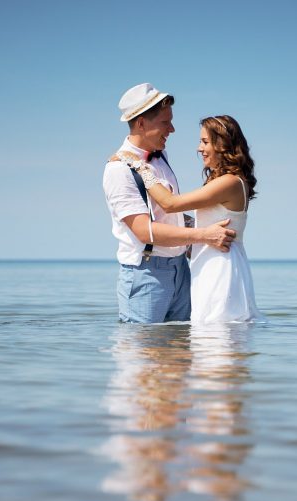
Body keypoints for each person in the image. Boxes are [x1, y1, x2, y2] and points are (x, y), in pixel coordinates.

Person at [103, 83, 237, 324]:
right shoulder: (118, 170)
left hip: (181, 270)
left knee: (181, 356)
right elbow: (144, 231)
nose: (172, 129)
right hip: (147, 275)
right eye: (165, 122)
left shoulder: (161, 156)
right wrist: (204, 235)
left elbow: (168, 215)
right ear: (141, 123)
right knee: (143, 357)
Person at [116, 114, 264, 324]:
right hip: (209, 262)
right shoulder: (224, 181)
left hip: (220, 266)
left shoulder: (230, 182)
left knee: (218, 335)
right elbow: (187, 216)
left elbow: (170, 204)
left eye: (205, 142)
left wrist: (138, 166)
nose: (199, 148)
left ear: (223, 145)